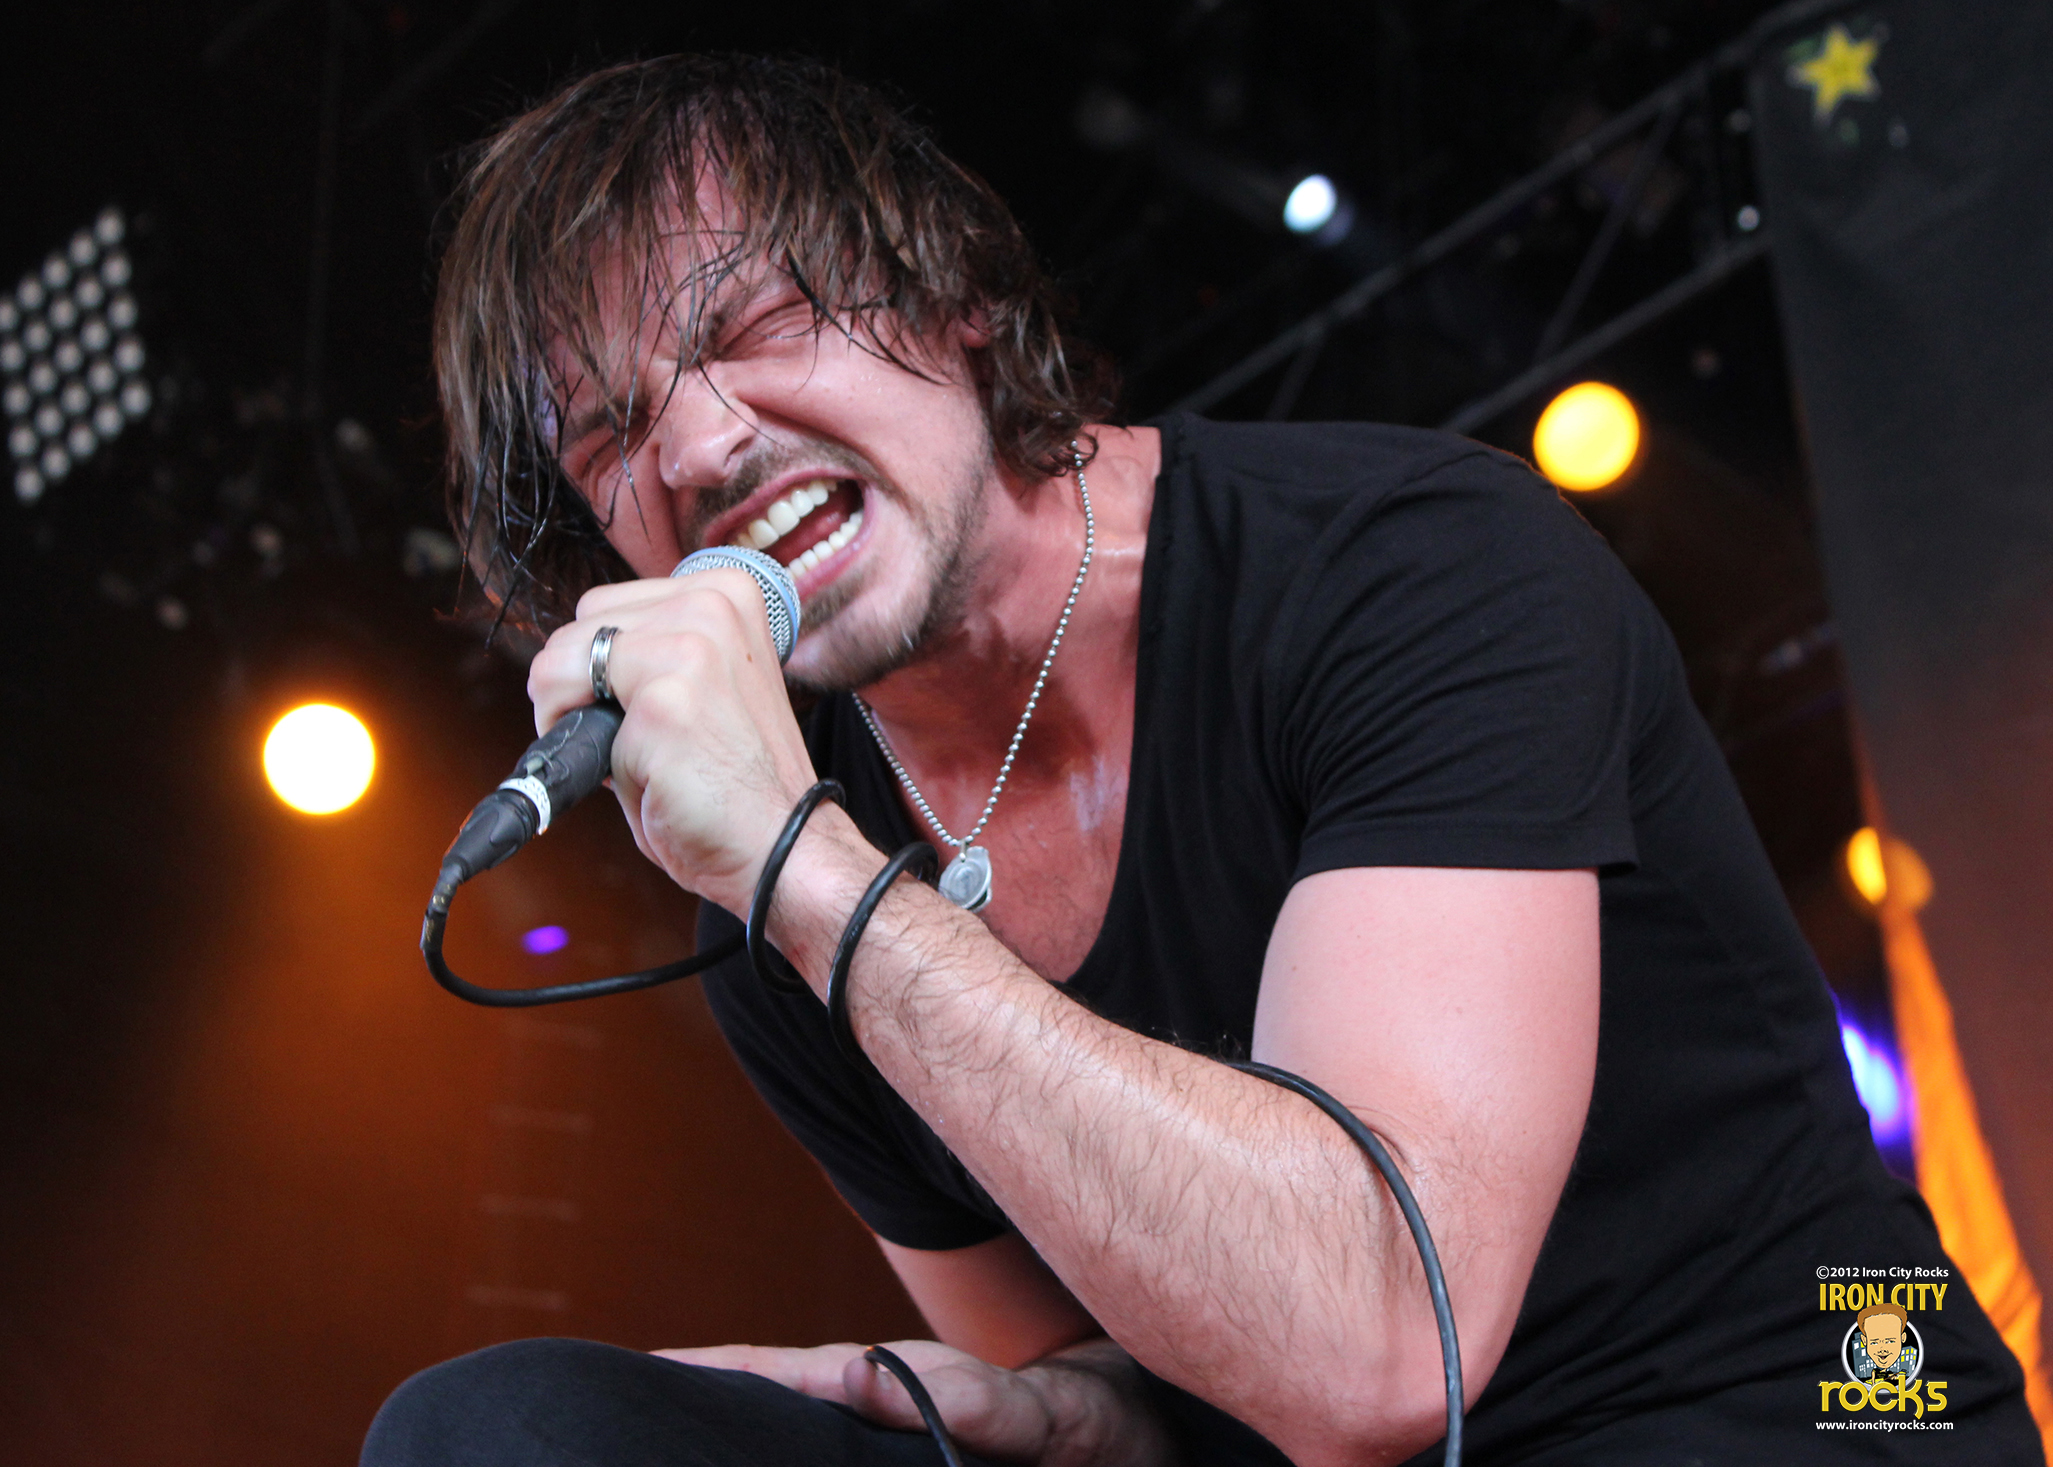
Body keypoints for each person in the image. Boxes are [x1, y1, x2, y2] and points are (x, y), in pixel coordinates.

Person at [364, 53, 2042, 1467]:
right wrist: (1045, 1405)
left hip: (1780, 1413)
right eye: (613, 429)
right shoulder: (770, 906)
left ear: (952, 294)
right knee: (504, 1432)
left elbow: (1379, 1350)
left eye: (750, 324)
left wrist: (811, 875)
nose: (703, 443)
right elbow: (1130, 1389)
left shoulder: (1409, 567)